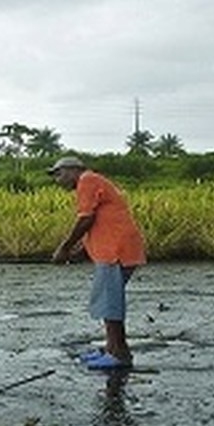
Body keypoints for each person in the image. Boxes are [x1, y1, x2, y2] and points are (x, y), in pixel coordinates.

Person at [47, 156, 146, 370]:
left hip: (115, 252)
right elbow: (100, 221)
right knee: (107, 300)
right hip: (115, 250)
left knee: (109, 304)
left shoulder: (87, 180)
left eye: (59, 173)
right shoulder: (92, 182)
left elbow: (85, 219)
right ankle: (113, 349)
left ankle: (118, 355)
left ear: (73, 169)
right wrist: (80, 251)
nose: (57, 179)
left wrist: (64, 248)